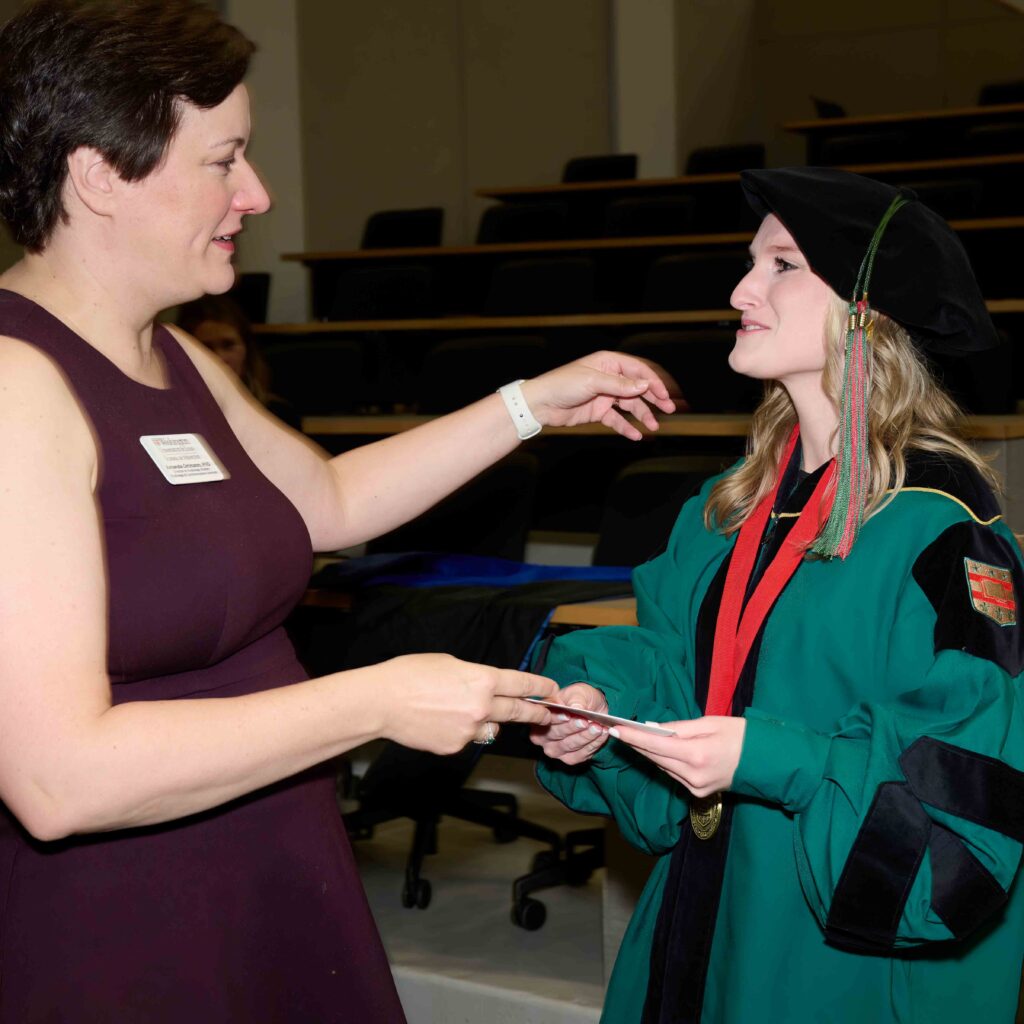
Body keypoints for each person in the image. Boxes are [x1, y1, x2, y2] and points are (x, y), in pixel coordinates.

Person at [0, 1, 675, 1021]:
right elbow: (58, 780)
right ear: (100, 174)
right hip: (123, 910)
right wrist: (373, 701)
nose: (257, 194)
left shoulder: (169, 352)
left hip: (264, 852)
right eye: (224, 160)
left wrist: (532, 405)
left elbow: (329, 502)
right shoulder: (16, 386)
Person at [532, 166, 1024, 1023]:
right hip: (698, 920)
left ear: (865, 312)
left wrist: (766, 759)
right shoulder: (726, 508)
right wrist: (601, 708)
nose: (740, 289)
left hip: (840, 963)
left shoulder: (947, 539)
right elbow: (677, 668)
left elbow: (959, 821)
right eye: (750, 263)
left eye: (782, 265)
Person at [177, 292, 299, 426]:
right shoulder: (173, 411)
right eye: (206, 347)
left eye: (228, 345)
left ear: (247, 350)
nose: (219, 357)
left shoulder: (277, 414)